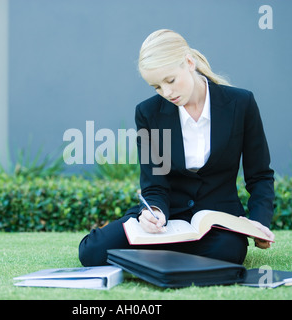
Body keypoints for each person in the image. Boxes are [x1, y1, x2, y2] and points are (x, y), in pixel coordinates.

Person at [78, 29, 275, 266]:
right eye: (157, 87)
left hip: (218, 220)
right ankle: (176, 255)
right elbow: (154, 184)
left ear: (189, 63)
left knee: (228, 252)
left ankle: (154, 259)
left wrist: (259, 222)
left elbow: (260, 175)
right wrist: (155, 213)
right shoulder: (148, 113)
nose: (167, 93)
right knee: (92, 251)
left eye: (170, 81)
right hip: (168, 217)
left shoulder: (241, 104)